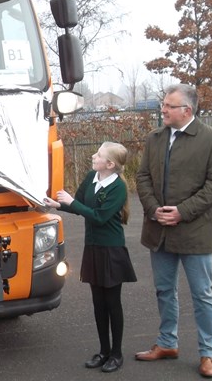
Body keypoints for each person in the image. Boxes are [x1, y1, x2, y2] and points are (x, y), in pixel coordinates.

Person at [134, 84, 212, 378]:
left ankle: (208, 354)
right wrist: (153, 209)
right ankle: (167, 343)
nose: (162, 109)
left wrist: (182, 212)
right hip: (159, 230)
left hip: (195, 232)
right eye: (163, 104)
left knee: (202, 294)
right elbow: (142, 176)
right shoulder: (155, 138)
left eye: (168, 105)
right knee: (164, 290)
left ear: (186, 110)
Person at [44, 141, 137, 373]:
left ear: (110, 164)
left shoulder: (117, 187)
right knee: (98, 302)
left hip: (111, 250)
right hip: (93, 248)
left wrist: (71, 202)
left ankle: (116, 354)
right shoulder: (91, 177)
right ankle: (104, 351)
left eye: (98, 155)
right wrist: (59, 205)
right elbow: (80, 206)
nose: (93, 156)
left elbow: (99, 217)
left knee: (112, 303)